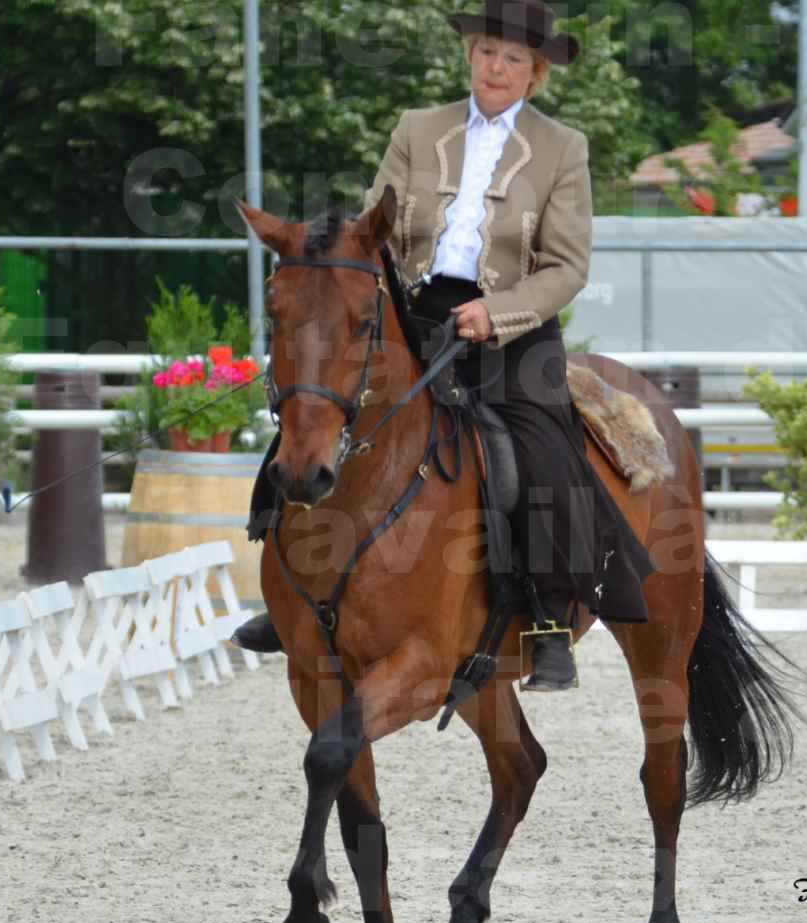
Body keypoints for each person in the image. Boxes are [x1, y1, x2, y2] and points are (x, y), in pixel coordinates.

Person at [235, 0, 654, 690]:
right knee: (314, 411)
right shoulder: (417, 128)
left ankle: (550, 621)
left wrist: (500, 312)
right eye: (489, 52)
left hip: (514, 331)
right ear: (471, 57)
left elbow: (568, 266)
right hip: (413, 314)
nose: (498, 66)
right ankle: (286, 601)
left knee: (543, 452)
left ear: (535, 73)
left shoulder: (562, 149)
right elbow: (377, 227)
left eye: (514, 58)